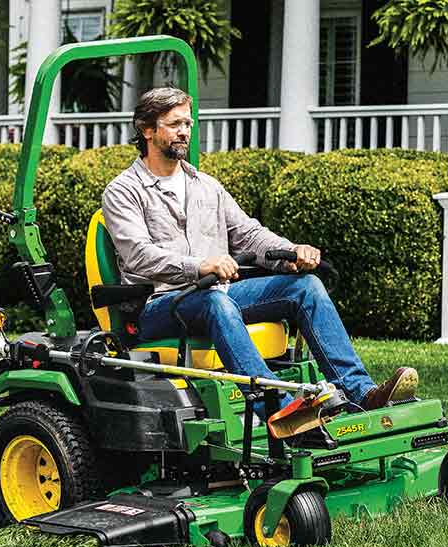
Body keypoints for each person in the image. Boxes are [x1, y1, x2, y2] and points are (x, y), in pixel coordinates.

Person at [101, 86, 417, 414]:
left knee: (305, 288)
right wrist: (201, 265)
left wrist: (292, 251)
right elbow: (139, 254)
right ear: (148, 130)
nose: (185, 131)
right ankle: (281, 410)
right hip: (160, 307)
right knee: (215, 301)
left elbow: (249, 235)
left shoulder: (206, 187)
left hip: (216, 295)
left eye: (188, 124)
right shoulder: (123, 191)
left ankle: (362, 394)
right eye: (175, 124)